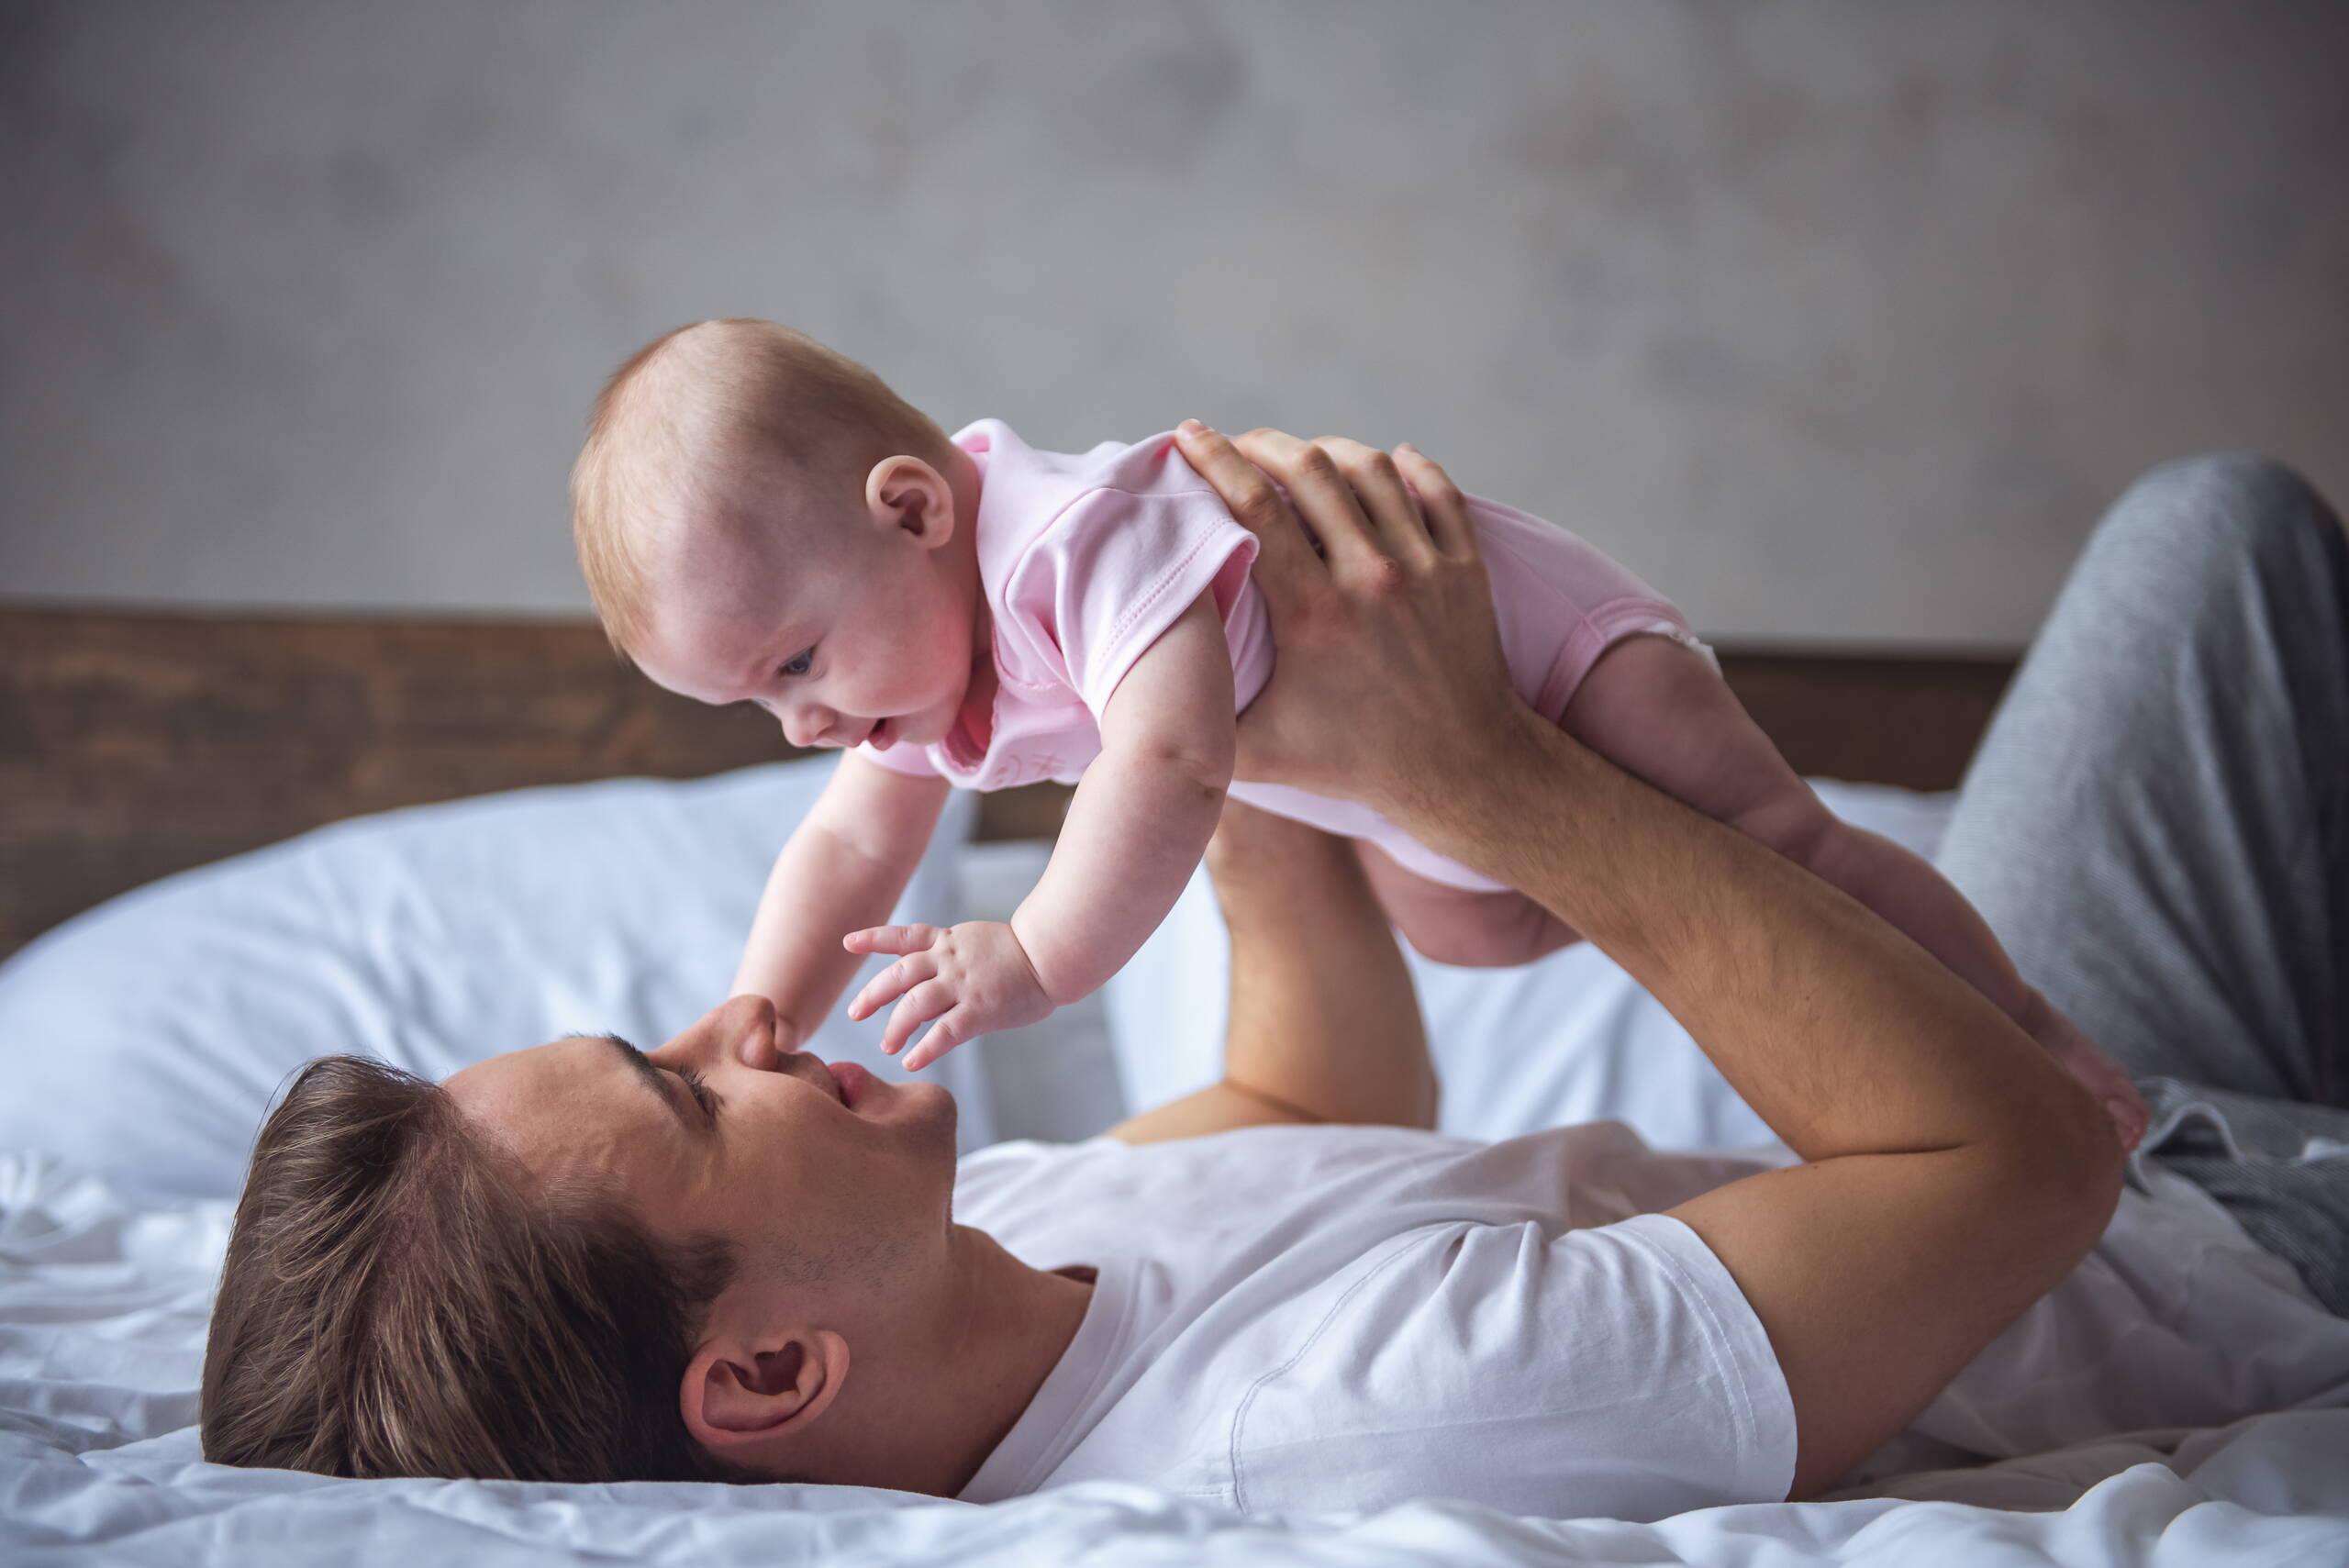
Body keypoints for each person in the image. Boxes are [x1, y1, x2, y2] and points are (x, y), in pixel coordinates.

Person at [201, 433, 2349, 1519]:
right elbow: (2017, 1162)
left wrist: (1187, 684)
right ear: (763, 1385)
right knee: (2211, 537)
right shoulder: (1343, 1439)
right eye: (689, 1097)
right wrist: (1478, 773)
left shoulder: (972, 1265)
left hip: (2132, 1147)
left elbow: (1309, 1108)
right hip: (2217, 1227)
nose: (740, 1027)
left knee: (2217, 535)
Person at [560, 322, 2143, 1157]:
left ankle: (2031, 1028)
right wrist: (762, 1004)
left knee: (1784, 849)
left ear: (911, 509)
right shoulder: (916, 669)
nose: (811, 718)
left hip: (1553, 659)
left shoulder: (1069, 545)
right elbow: (846, 842)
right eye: (762, 705)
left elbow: (1165, 765)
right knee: (1471, 928)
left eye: (799, 660)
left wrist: (1031, 961)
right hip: (1427, 794)